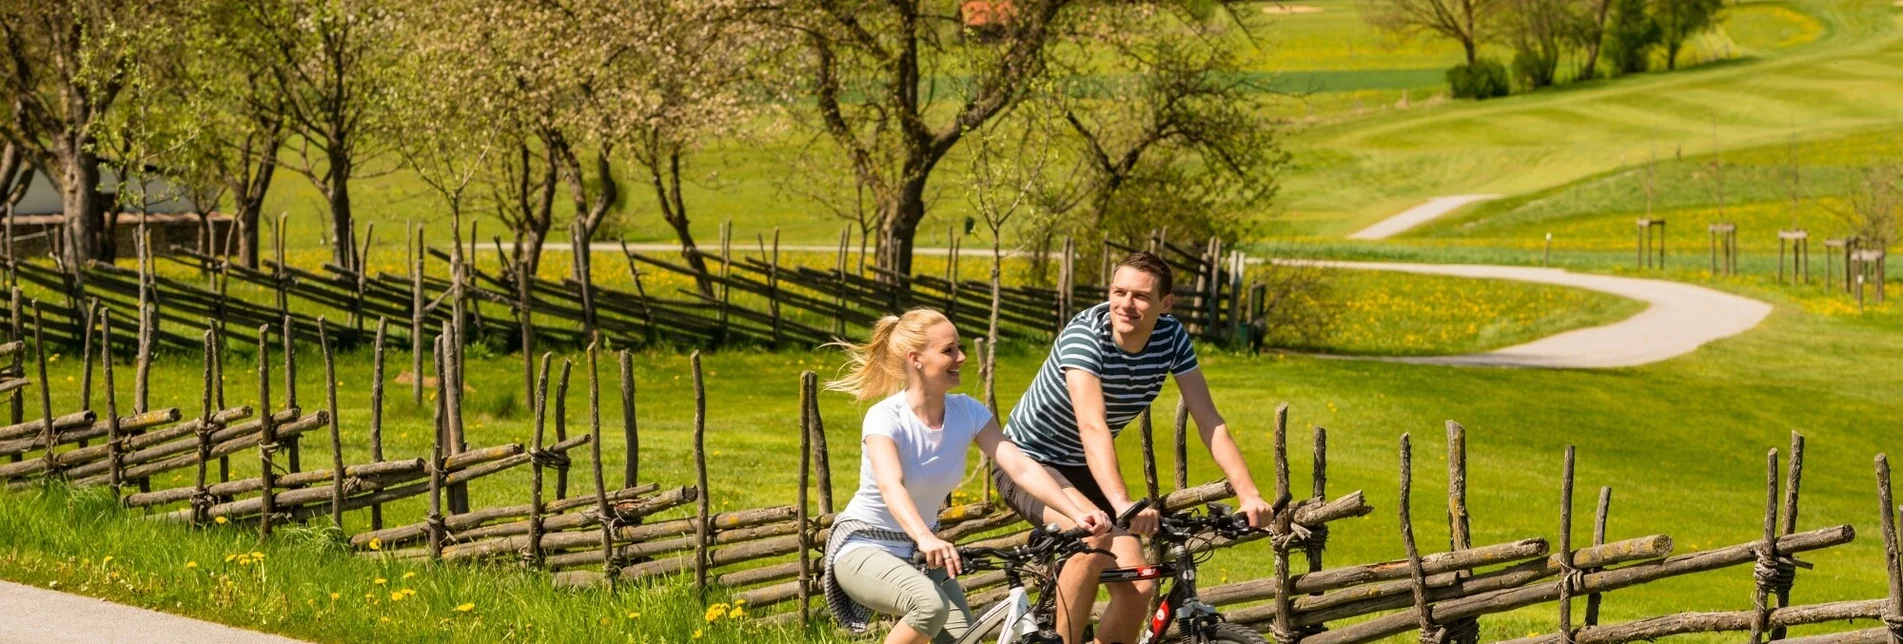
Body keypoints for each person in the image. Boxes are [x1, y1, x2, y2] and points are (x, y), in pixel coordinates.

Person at [993, 251, 1274, 644]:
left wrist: (1249, 493)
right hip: (1028, 462)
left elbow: (1208, 418)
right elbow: (1092, 426)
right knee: (1091, 536)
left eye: (1140, 296)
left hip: (1082, 469)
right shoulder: (1086, 336)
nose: (1126, 304)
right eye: (1118, 292)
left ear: (1166, 303)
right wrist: (1124, 503)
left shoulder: (1171, 336)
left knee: (1139, 586)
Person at [823, 308, 1111, 644]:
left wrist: (1075, 513)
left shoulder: (968, 412)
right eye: (949, 351)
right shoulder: (885, 418)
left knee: (965, 639)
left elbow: (1020, 467)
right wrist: (926, 536)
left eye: (959, 347)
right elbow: (891, 486)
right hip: (865, 546)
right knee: (928, 606)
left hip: (920, 552)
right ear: (915, 359)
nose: (961, 357)